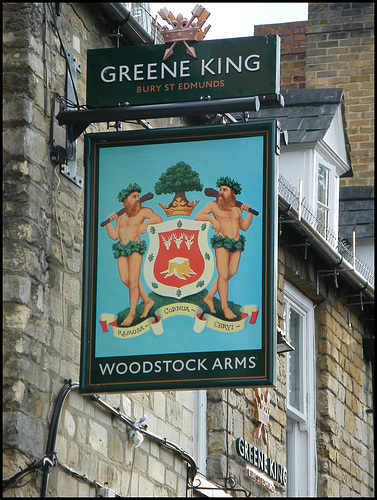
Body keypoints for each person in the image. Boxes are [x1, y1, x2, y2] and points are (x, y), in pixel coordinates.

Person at [194, 176, 253, 320]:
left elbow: (244, 227)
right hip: (222, 242)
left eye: (224, 190)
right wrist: (212, 219)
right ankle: (225, 308)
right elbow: (198, 216)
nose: (221, 192)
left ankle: (209, 297)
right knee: (223, 274)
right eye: (220, 189)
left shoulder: (237, 209)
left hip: (236, 242)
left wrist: (249, 212)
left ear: (232, 193)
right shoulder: (213, 205)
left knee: (231, 272)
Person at [105, 183, 163, 326]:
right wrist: (108, 223)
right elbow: (114, 236)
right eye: (134, 196)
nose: (137, 199)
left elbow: (158, 218)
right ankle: (148, 301)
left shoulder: (143, 211)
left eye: (138, 196)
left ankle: (132, 314)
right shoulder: (121, 216)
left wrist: (145, 224)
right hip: (122, 249)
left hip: (135, 247)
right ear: (126, 200)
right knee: (125, 279)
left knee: (133, 280)